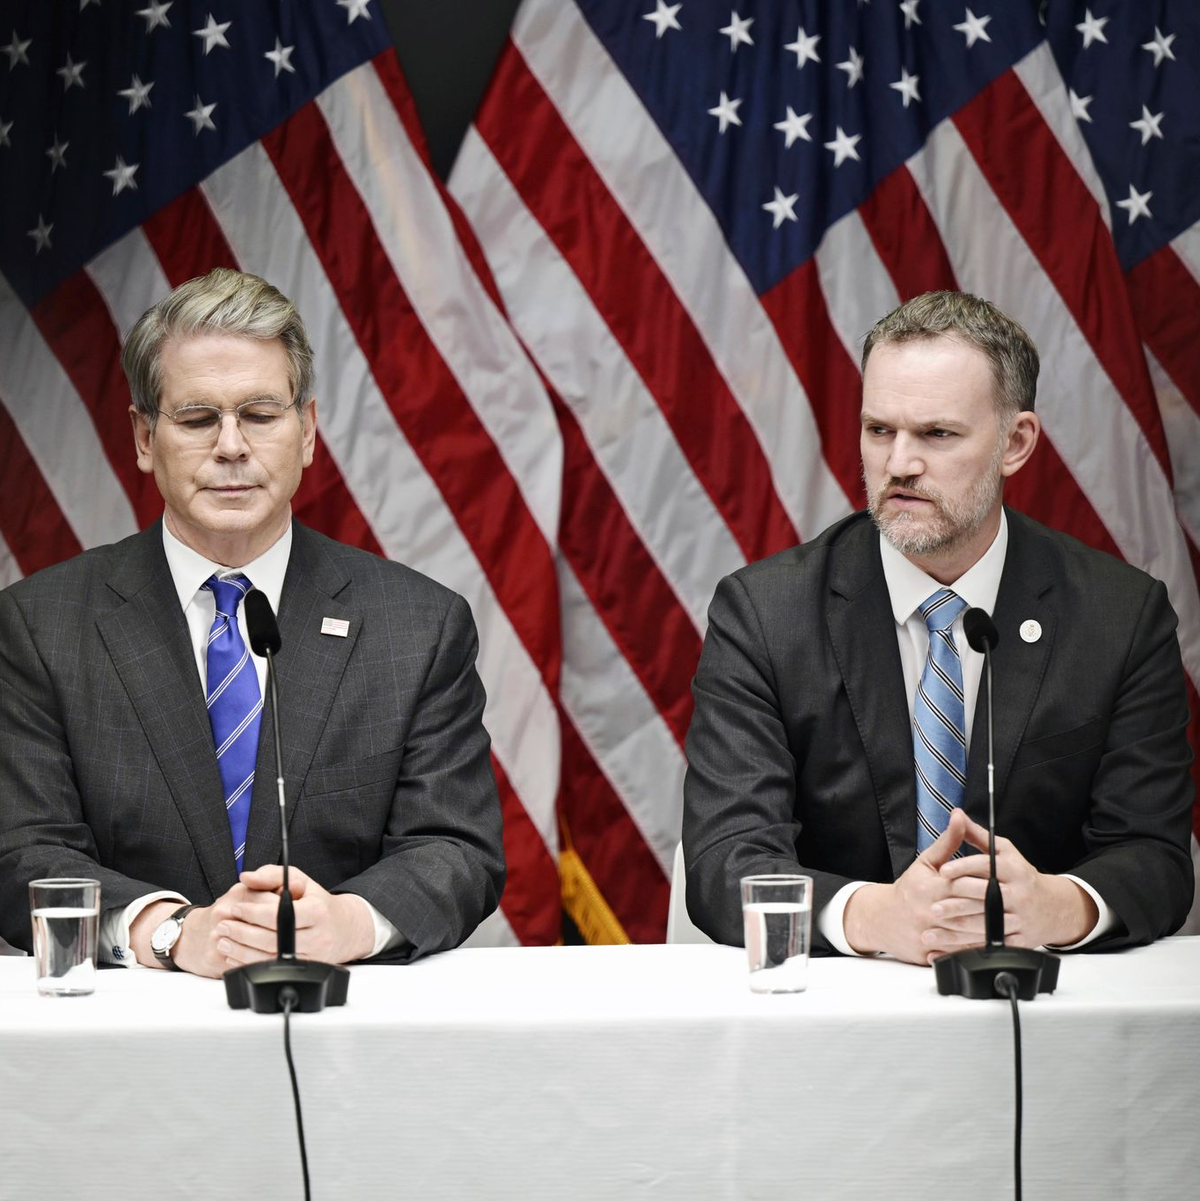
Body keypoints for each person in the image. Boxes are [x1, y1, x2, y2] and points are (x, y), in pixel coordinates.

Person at [0, 268, 504, 976]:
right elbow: (24, 851)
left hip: (339, 1016)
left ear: (308, 431)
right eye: (197, 418)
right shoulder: (40, 626)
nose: (232, 445)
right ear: (144, 437)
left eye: (261, 415)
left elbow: (456, 848)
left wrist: (348, 921)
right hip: (132, 1025)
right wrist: (174, 933)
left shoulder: (418, 626)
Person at [683, 291, 1194, 963]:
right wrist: (871, 916)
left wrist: (1056, 905)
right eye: (879, 430)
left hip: (1037, 1000)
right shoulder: (765, 614)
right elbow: (725, 857)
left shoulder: (1119, 616)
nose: (899, 464)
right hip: (838, 1001)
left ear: (1016, 442)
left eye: (936, 434)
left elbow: (1155, 855)